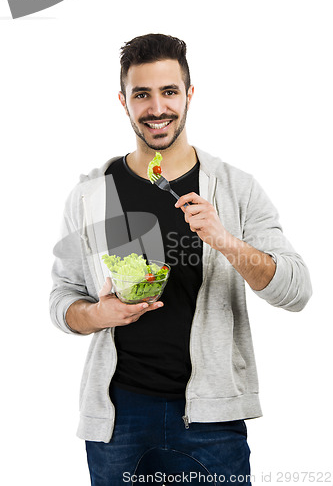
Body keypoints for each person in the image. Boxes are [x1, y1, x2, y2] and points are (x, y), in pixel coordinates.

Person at [50, 33, 312, 485]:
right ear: (123, 100)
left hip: (212, 421)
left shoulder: (235, 189)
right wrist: (98, 313)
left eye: (169, 91)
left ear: (189, 95)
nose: (157, 108)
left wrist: (224, 239)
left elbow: (296, 291)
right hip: (118, 419)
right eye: (142, 94)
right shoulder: (94, 194)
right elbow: (62, 301)